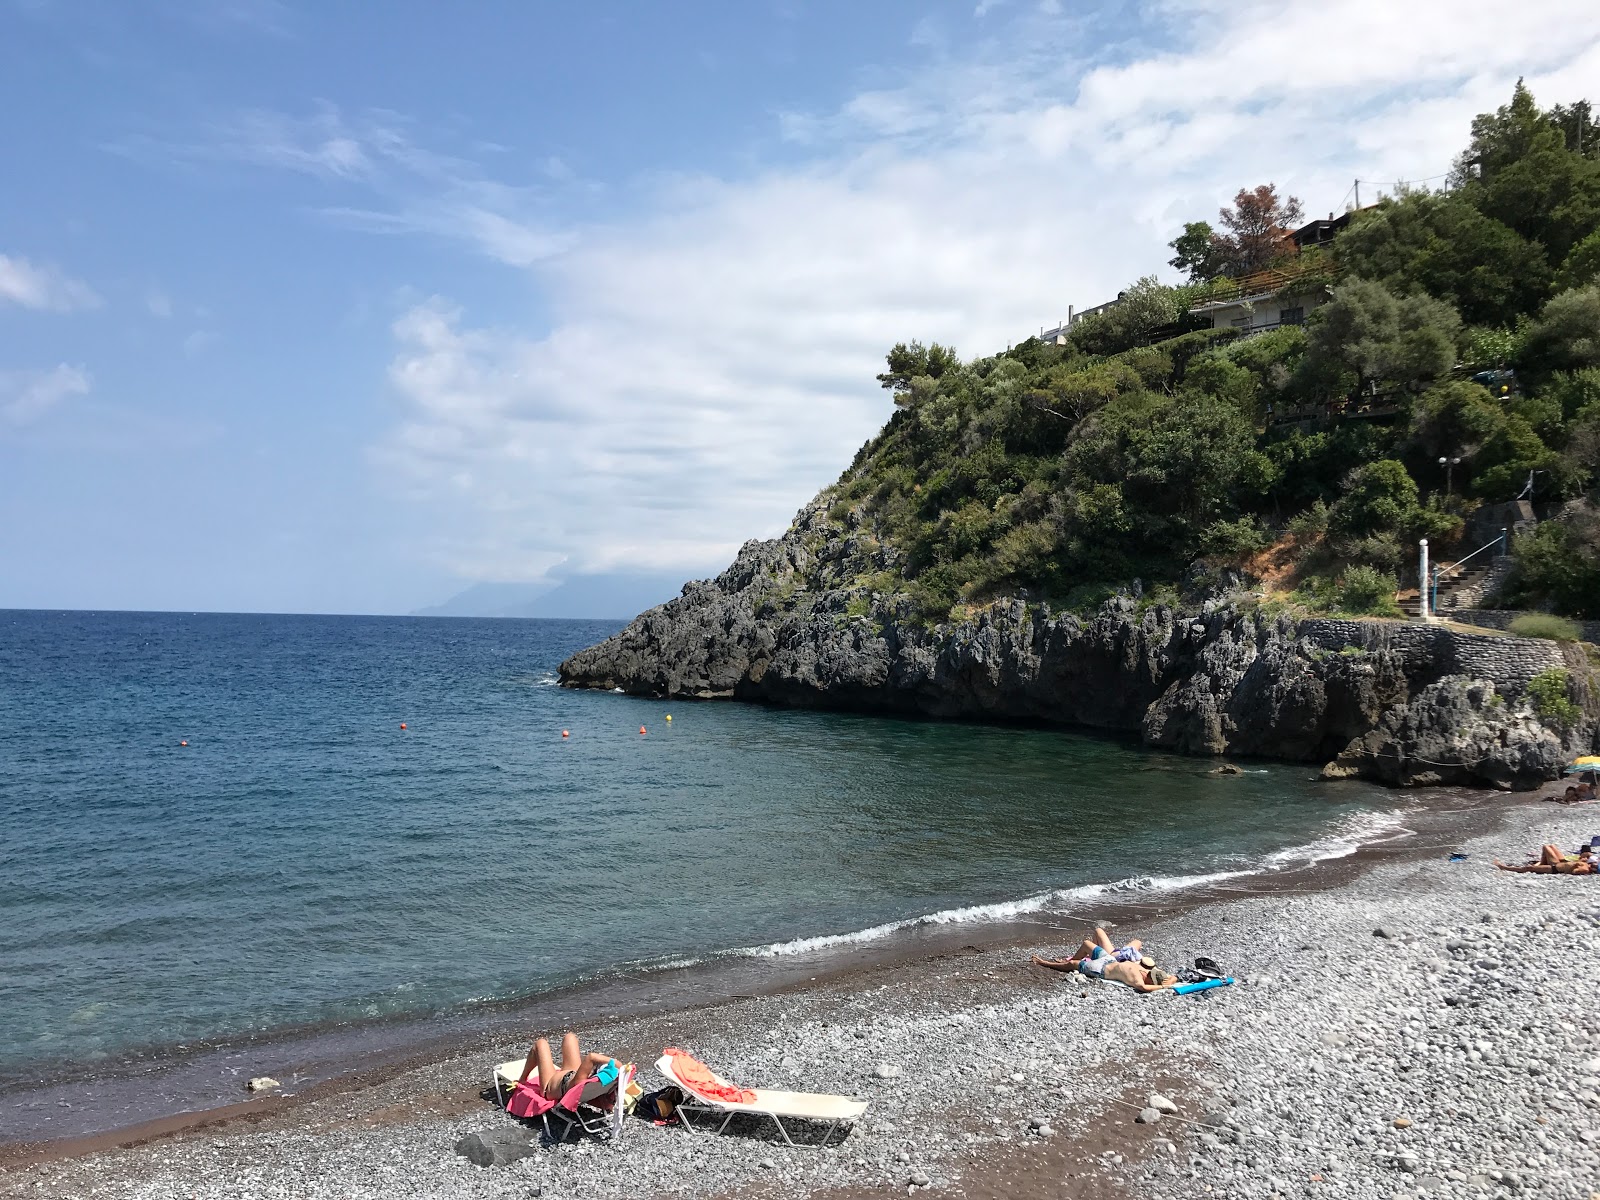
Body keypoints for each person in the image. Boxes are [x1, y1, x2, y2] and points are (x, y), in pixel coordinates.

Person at [1032, 927, 1179, 993]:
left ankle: (1043, 962)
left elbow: (1145, 988)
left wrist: (1163, 987)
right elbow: (1171, 977)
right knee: (1086, 943)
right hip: (1108, 959)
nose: (1148, 974)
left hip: (1101, 969)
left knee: (1072, 964)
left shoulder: (1138, 981)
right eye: (1150, 973)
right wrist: (1171, 980)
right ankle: (1067, 959)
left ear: (1151, 981)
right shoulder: (1147, 971)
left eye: (1150, 977)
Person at [514, 1032, 616, 1101]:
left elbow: (591, 1057)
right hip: (569, 1077)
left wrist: (608, 1061)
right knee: (570, 1037)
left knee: (540, 1043)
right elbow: (619, 1065)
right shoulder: (584, 1078)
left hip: (549, 1087)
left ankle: (522, 1079)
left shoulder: (579, 1081)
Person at [1493, 843, 1597, 875]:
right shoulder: (1586, 864)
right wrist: (1579, 861)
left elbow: (1574, 871)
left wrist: (1577, 864)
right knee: (1550, 846)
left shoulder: (1585, 869)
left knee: (1529, 868)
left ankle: (1504, 867)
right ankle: (1541, 863)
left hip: (1554, 868)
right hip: (1560, 863)